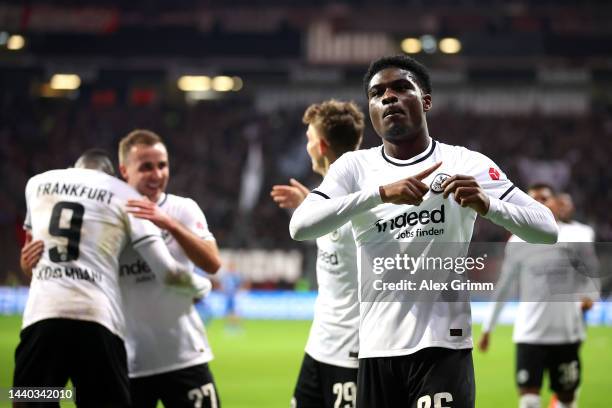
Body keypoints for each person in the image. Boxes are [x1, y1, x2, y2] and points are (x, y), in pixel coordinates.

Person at [289, 55, 558, 408]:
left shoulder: (467, 163)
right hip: (375, 349)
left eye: (401, 88)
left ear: (426, 100)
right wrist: (380, 194)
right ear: (371, 109)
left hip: (443, 345)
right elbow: (300, 226)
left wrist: (488, 205)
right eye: (377, 93)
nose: (388, 97)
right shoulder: (354, 168)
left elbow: (547, 230)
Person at [15, 149, 202, 408]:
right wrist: (201, 286)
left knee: (30, 399)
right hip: (96, 322)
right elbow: (169, 273)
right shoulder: (123, 194)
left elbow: (30, 257)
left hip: (42, 318)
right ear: (112, 176)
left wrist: (26, 266)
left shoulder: (37, 184)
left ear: (74, 168)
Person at [117, 129, 222, 408]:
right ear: (124, 170)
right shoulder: (111, 219)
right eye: (146, 167)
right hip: (131, 363)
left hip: (186, 356)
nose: (157, 174)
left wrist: (169, 224)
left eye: (162, 165)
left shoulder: (183, 209)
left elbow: (212, 263)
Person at [271, 99, 365, 408]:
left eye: (309, 139)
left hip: (354, 350)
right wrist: (308, 202)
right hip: (319, 346)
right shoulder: (327, 198)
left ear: (321, 145)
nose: (308, 146)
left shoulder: (367, 200)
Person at [479, 186, 599, 408]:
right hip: (529, 334)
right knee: (529, 400)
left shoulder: (577, 235)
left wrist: (590, 295)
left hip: (566, 333)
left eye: (544, 198)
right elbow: (503, 287)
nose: (539, 203)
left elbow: (591, 273)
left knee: (566, 400)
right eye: (532, 199)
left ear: (556, 203)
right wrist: (488, 328)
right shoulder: (517, 242)